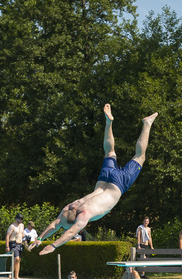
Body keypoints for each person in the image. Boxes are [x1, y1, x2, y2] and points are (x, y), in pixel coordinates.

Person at [37, 105, 158, 255]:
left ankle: (147, 124)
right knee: (110, 151)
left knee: (140, 156)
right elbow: (55, 224)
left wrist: (53, 246)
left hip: (118, 185)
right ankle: (108, 123)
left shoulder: (84, 216)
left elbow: (68, 233)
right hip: (103, 180)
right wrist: (40, 238)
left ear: (73, 221)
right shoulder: (70, 206)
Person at [6, 213, 25, 279]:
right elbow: (7, 236)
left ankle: (16, 276)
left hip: (20, 244)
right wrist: (7, 246)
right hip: (13, 243)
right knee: (16, 259)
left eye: (21, 219)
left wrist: (25, 238)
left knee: (19, 260)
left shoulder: (22, 225)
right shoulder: (12, 226)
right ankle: (10, 274)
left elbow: (21, 234)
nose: (20, 220)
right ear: (16, 219)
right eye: (19, 219)